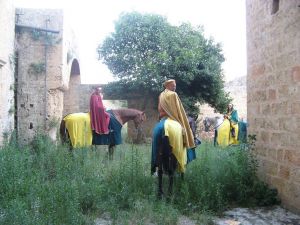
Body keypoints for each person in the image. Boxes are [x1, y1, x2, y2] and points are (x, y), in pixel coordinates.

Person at [158, 79, 196, 162]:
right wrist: (182, 119)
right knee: (184, 131)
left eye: (175, 85)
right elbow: (179, 110)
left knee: (157, 131)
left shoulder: (161, 95)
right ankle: (187, 147)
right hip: (172, 119)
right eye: (173, 85)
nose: (175, 87)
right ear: (167, 86)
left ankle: (157, 164)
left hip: (163, 119)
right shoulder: (174, 94)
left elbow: (159, 109)